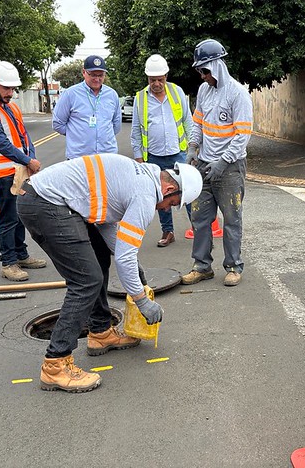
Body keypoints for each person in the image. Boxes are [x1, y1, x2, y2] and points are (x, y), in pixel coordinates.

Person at [16, 155, 203, 393]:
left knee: (100, 258)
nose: (168, 209)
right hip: (46, 204)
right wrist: (142, 301)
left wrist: (134, 264)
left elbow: (105, 222)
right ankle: (56, 364)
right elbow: (124, 257)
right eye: (173, 203)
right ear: (169, 188)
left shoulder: (142, 175)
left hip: (47, 200)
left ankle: (101, 331)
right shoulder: (146, 194)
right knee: (86, 280)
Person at [180, 39, 253, 288]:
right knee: (200, 218)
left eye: (205, 71)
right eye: (200, 71)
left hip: (230, 168)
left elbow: (242, 135)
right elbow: (197, 123)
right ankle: (201, 266)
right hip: (204, 165)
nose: (202, 76)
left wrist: (223, 161)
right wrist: (192, 148)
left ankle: (233, 266)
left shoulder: (238, 93)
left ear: (218, 66)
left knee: (232, 218)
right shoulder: (203, 91)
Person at [0, 61, 47, 282]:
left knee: (20, 215)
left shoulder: (12, 107)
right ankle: (8, 262)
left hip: (19, 170)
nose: (10, 93)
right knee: (8, 217)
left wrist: (30, 158)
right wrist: (28, 161)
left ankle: (21, 255)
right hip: (2, 174)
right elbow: (2, 144)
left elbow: (24, 136)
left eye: (13, 89)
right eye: (6, 88)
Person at [131, 53, 193, 247]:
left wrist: (193, 149)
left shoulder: (177, 92)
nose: (156, 83)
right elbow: (135, 130)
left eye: (159, 79)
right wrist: (139, 158)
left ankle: (198, 228)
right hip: (154, 157)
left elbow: (188, 121)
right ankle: (168, 232)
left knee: (188, 192)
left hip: (179, 154)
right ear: (147, 78)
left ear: (166, 76)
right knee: (161, 196)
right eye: (152, 80)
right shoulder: (140, 99)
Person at [52, 55, 122, 159]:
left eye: (101, 75)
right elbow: (58, 123)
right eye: (93, 75)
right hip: (79, 158)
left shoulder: (112, 95)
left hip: (107, 156)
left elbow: (116, 125)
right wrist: (76, 135)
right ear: (84, 72)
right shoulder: (70, 94)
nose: (97, 79)